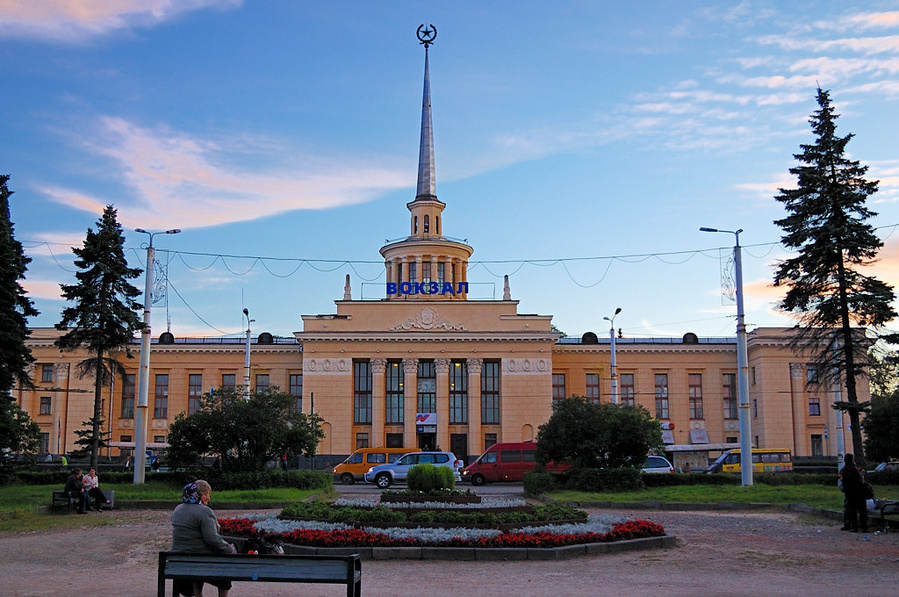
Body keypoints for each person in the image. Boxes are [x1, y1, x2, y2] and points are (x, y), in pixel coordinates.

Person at [170, 480, 236, 597]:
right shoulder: (204, 511)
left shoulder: (178, 509)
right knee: (225, 568)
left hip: (178, 561)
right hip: (200, 560)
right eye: (206, 494)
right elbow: (212, 539)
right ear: (199, 495)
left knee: (198, 563)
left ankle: (198, 594)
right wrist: (229, 549)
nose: (208, 497)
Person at [839, 453, 869, 533]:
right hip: (860, 492)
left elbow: (840, 479)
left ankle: (854, 527)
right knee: (862, 510)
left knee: (852, 511)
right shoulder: (856, 468)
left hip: (849, 493)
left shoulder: (843, 470)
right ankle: (864, 527)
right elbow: (863, 471)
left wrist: (843, 489)